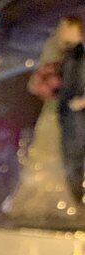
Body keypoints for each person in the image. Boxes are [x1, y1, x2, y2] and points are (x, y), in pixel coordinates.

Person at [4, 16, 85, 225]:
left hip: (70, 116)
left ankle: (70, 200)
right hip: (54, 114)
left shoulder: (77, 56)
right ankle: (44, 203)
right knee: (46, 151)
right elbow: (37, 85)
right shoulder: (58, 54)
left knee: (68, 156)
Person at [58, 17, 85, 202]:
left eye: (65, 27)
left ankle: (79, 197)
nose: (61, 31)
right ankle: (77, 198)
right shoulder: (71, 54)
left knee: (76, 155)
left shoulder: (79, 55)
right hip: (70, 113)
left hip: (78, 114)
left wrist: (81, 101)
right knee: (72, 156)